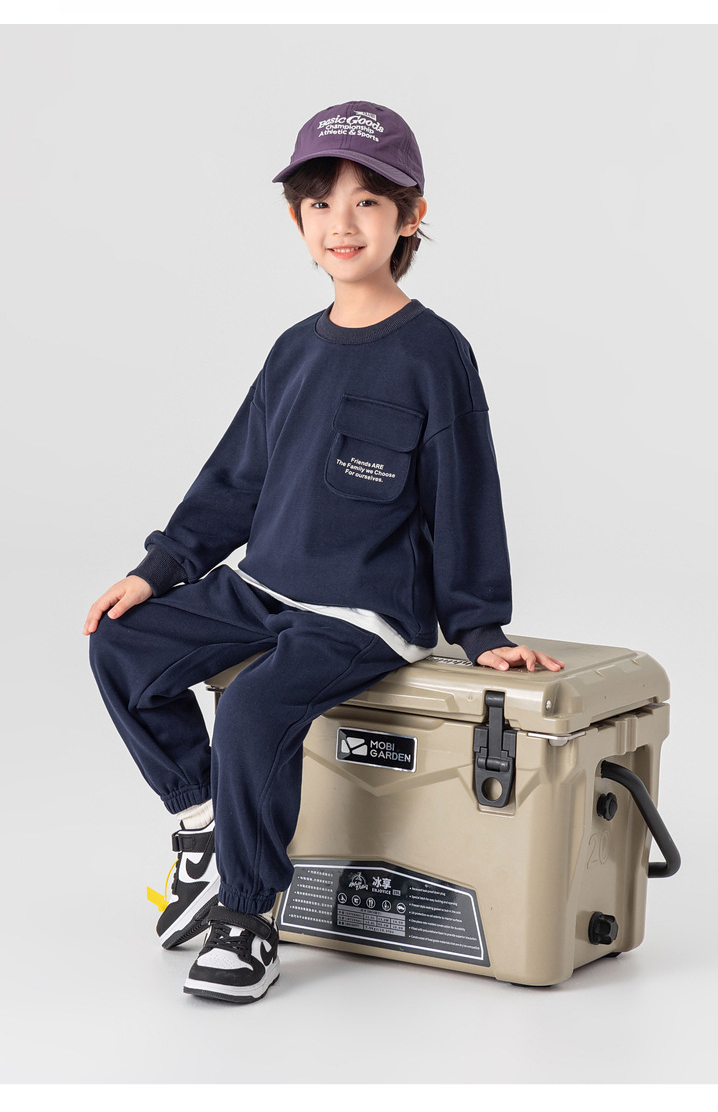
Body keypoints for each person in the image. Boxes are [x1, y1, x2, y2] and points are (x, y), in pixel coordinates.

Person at [84, 100, 564, 1005]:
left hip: (364, 610)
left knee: (255, 705)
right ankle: (203, 824)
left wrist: (480, 628)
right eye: (320, 204)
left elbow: (466, 493)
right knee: (121, 643)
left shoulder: (434, 354)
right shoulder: (292, 351)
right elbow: (234, 480)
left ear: (411, 216)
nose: (342, 223)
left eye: (368, 202)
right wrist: (159, 569)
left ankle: (248, 917)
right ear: (296, 220)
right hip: (266, 584)